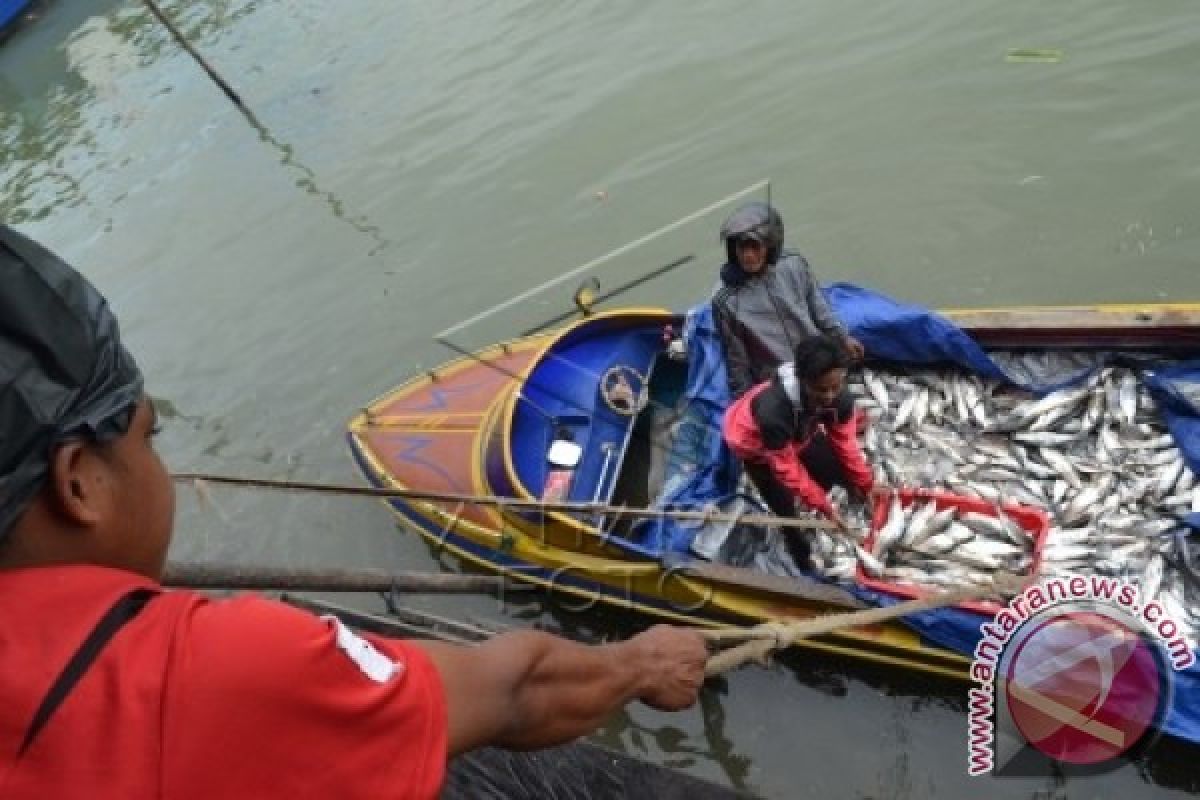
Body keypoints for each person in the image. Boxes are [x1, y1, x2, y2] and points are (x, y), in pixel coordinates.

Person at [0, 225, 709, 799]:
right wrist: (638, 665)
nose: (160, 467)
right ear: (80, 482)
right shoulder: (210, 672)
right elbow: (516, 689)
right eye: (148, 436)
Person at [722, 336, 876, 567]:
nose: (830, 395)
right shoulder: (773, 412)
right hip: (755, 444)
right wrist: (823, 505)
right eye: (821, 389)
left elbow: (846, 444)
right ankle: (801, 555)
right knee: (784, 506)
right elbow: (786, 468)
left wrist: (866, 482)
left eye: (836, 386)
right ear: (801, 379)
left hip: (800, 429)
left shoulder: (840, 400)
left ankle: (850, 499)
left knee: (839, 471)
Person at [711, 202, 864, 398]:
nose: (748, 256)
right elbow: (737, 361)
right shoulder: (725, 300)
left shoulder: (794, 263)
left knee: (842, 408)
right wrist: (745, 399)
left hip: (818, 363)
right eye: (742, 248)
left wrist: (842, 337)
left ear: (770, 246)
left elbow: (820, 309)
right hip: (779, 379)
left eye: (755, 247)